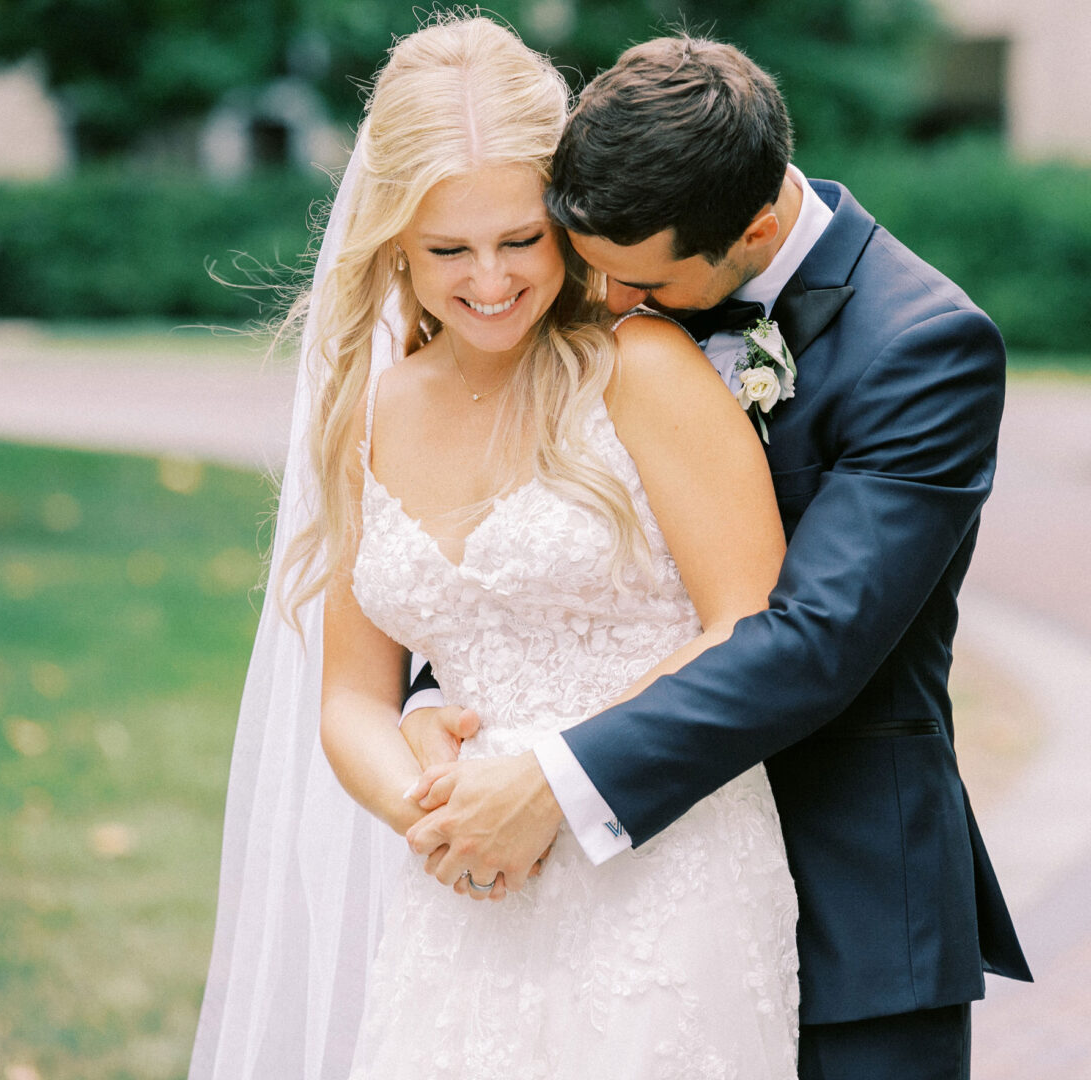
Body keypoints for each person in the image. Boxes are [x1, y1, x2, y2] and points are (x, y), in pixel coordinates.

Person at [403, 34, 1033, 1080]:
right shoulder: (613, 278)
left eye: (639, 282)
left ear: (753, 229)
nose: (605, 304)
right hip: (618, 908)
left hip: (849, 900)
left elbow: (815, 639)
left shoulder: (924, 349)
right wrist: (444, 690)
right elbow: (532, 541)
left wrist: (554, 784)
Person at [190, 17, 798, 1079]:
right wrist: (432, 817)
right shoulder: (367, 413)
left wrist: (552, 789)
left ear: (568, 220)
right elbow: (351, 698)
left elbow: (749, 626)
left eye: (521, 239)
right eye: (447, 251)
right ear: (393, 244)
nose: (489, 281)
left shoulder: (641, 369)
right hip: (461, 901)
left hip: (664, 877)